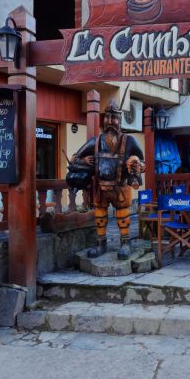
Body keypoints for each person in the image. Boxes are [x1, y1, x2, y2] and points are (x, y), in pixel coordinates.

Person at [67, 98, 146, 259]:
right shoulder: (95, 142)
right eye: (107, 117)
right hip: (100, 187)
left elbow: (143, 162)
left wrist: (137, 164)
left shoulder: (129, 140)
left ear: (120, 119)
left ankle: (125, 243)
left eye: (114, 117)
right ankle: (100, 244)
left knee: (123, 215)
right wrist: (83, 160)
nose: (110, 121)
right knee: (100, 216)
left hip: (120, 187)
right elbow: (74, 157)